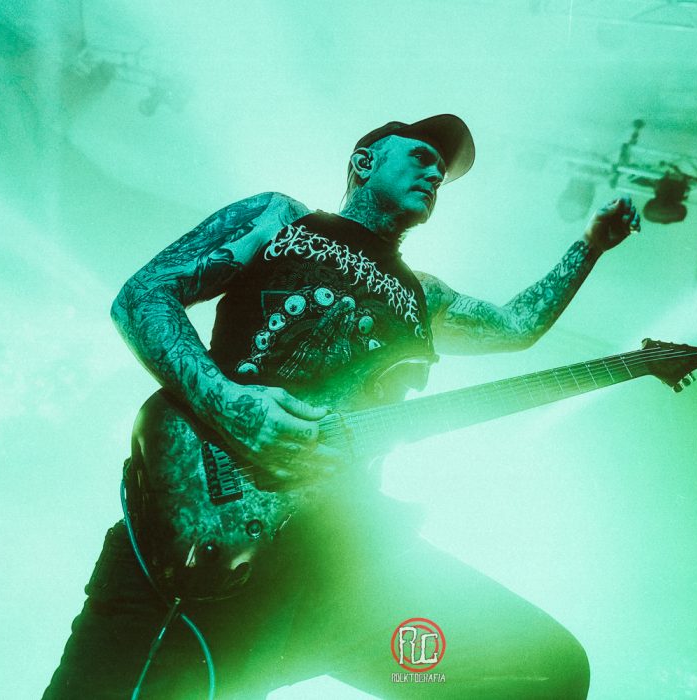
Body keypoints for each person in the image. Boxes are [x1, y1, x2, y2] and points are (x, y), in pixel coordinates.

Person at [44, 114, 639, 699]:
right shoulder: (279, 219)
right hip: (204, 523)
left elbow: (517, 326)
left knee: (550, 669)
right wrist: (227, 402)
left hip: (332, 556)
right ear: (364, 161)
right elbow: (144, 295)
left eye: (443, 173)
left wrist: (590, 246)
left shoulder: (426, 295)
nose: (436, 175)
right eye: (422, 156)